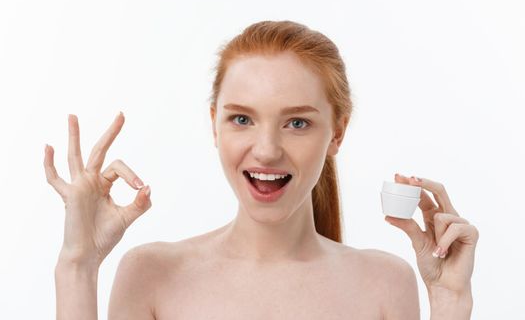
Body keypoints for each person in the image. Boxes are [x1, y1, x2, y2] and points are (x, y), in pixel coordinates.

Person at [45, 20, 479, 319]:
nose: (267, 150)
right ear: (215, 124)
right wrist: (78, 265)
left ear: (337, 134)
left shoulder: (385, 283)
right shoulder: (150, 274)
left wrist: (450, 301)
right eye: (242, 119)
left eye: (297, 123)